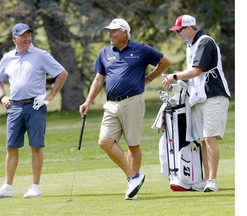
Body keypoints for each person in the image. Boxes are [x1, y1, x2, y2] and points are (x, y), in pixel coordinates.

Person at [79, 18, 171, 200]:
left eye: (114, 31)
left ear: (125, 32)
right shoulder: (105, 52)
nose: (110, 34)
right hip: (111, 104)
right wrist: (88, 101)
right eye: (109, 31)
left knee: (132, 145)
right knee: (104, 141)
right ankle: (133, 177)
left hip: (132, 102)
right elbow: (99, 79)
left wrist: (150, 78)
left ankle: (132, 185)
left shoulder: (141, 49)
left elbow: (165, 62)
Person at [0, 23, 68, 199]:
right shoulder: (7, 58)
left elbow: (62, 73)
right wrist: (2, 96)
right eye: (23, 36)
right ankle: (7, 187)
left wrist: (51, 95)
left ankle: (35, 187)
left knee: (36, 146)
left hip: (35, 106)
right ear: (15, 38)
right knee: (11, 147)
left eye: (29, 35)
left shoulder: (41, 55)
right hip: (14, 107)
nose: (27, 38)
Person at [163, 15, 231, 192]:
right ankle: (205, 180)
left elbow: (196, 70)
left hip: (213, 95)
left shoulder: (204, 42)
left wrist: (174, 76)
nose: (177, 34)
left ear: (188, 28)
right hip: (199, 97)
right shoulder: (191, 46)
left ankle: (212, 181)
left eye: (179, 30)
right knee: (201, 139)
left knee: (210, 137)